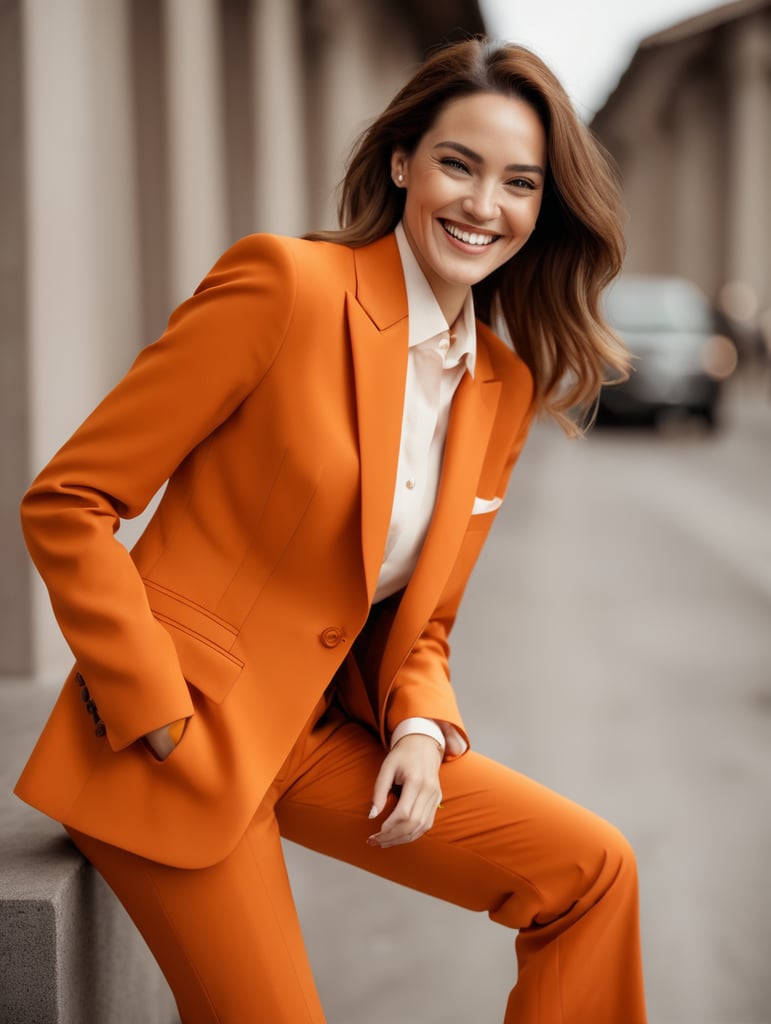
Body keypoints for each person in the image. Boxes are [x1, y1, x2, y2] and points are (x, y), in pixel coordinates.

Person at [15, 37, 647, 1024]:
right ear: (403, 161)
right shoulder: (286, 288)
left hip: (320, 738)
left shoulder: (501, 388)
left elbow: (425, 623)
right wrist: (153, 710)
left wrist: (422, 730)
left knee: (592, 871)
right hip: (172, 745)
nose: (485, 205)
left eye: (519, 183)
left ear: (543, 209)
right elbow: (69, 502)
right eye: (459, 164)